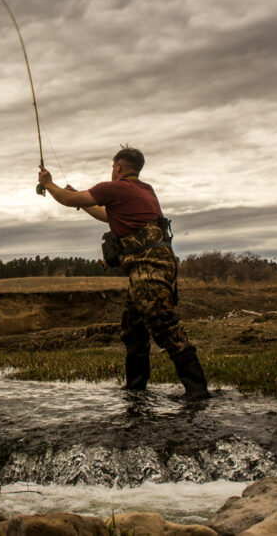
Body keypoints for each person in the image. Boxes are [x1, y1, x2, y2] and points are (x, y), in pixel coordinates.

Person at [37, 146, 210, 398]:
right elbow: (108, 215)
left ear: (118, 166)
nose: (111, 171)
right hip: (157, 268)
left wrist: (49, 183)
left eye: (112, 167)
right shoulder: (145, 190)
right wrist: (83, 201)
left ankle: (198, 392)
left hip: (149, 270)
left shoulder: (114, 188)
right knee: (133, 328)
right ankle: (135, 389)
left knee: (164, 327)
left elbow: (68, 200)